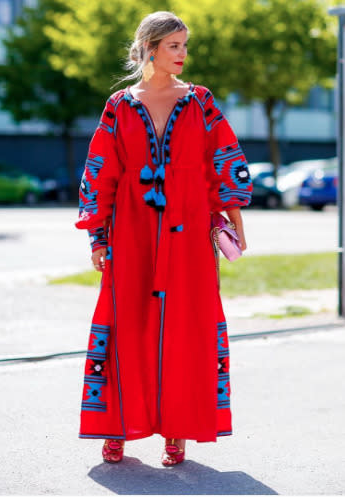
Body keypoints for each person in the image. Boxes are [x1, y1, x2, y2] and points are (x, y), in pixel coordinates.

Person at [75, 10, 253, 466]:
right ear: (150, 48)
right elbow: (101, 175)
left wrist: (235, 222)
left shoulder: (201, 102)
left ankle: (177, 431)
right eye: (174, 45)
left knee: (185, 330)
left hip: (190, 235)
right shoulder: (118, 106)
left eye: (184, 45)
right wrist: (98, 237)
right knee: (125, 327)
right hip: (130, 235)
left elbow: (226, 160)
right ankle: (116, 428)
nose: (183, 55)